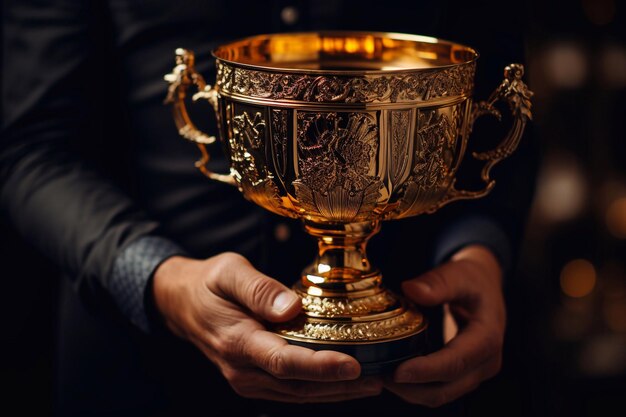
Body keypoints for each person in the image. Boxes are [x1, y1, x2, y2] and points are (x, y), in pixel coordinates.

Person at [1, 0, 536, 416]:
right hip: (144, 373)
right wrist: (159, 280)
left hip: (411, 369)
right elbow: (31, 149)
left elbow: (502, 98)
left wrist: (479, 254)